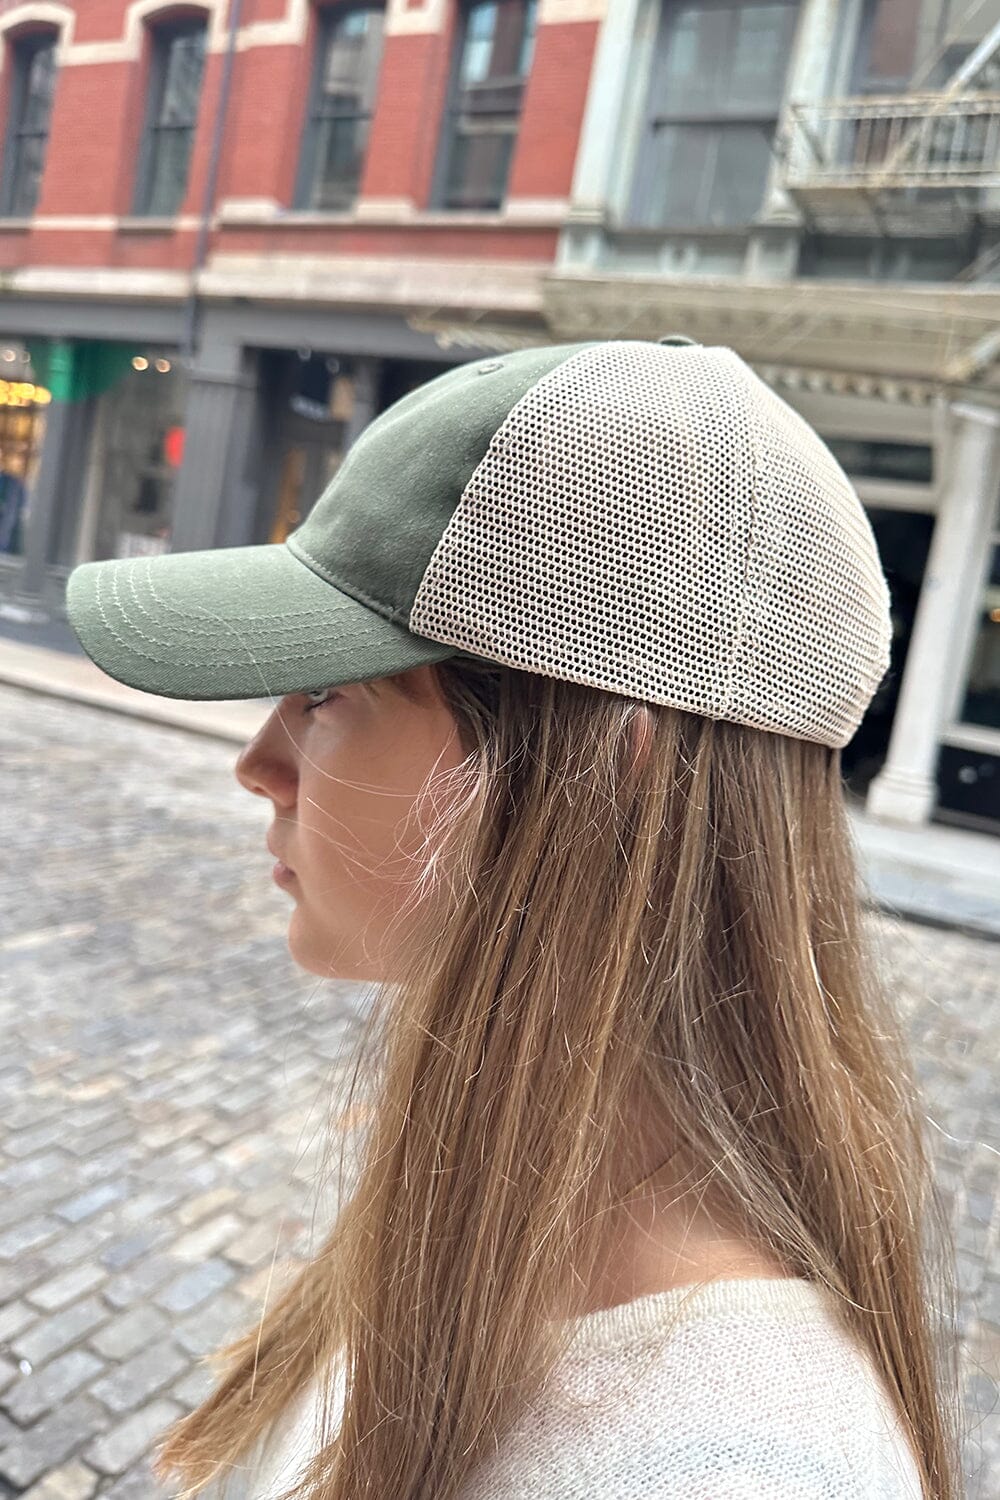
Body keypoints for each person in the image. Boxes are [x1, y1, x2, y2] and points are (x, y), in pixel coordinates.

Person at [64, 336, 961, 1500]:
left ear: (608, 786)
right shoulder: (507, 1207)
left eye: (327, 693)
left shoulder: (730, 1471)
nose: (258, 762)